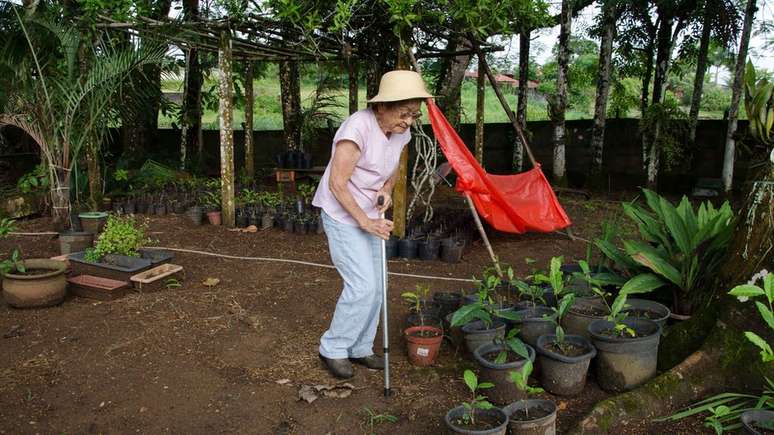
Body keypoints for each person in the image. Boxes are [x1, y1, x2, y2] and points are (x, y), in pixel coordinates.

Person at [312, 70, 431, 379]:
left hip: (370, 214)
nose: (408, 121)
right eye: (403, 113)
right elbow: (338, 184)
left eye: (414, 115)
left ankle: (360, 347)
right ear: (382, 107)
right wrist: (364, 221)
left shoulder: (401, 132)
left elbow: (393, 166)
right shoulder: (357, 128)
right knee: (361, 285)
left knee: (378, 286)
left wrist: (386, 191)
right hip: (342, 214)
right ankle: (333, 348)